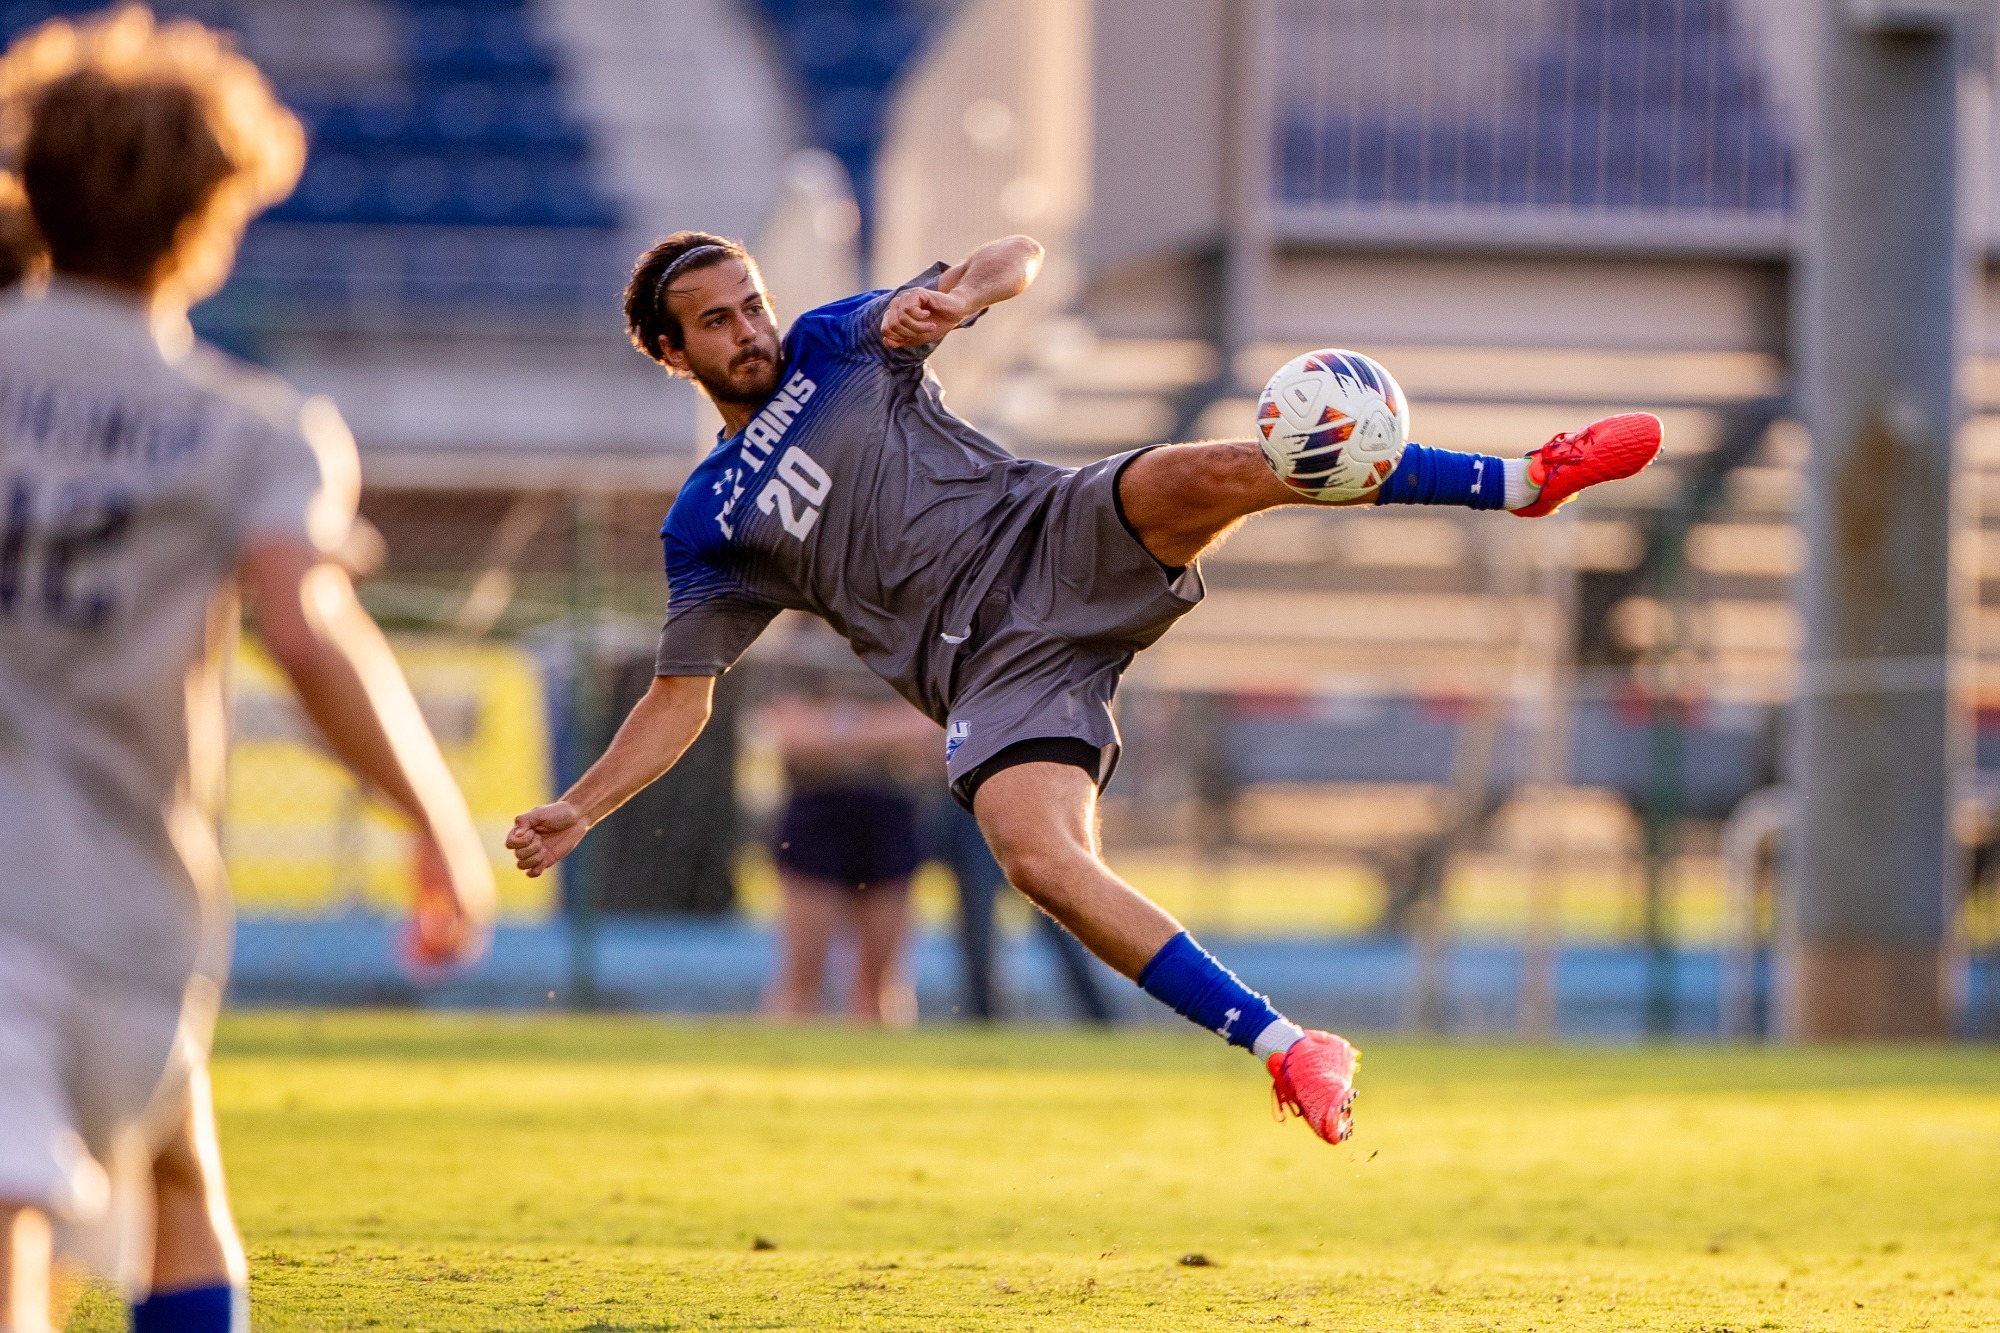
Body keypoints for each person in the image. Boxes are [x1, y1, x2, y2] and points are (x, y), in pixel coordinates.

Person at [509, 229, 1660, 1145]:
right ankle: (1285, 1046)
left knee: (1212, 468)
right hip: (989, 665)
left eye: (751, 301)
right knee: (1037, 858)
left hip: (1048, 528)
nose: (749, 329)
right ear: (670, 354)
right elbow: (680, 695)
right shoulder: (706, 522)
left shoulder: (835, 341)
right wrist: (580, 806)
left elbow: (1016, 255)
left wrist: (958, 301)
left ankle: (1519, 480)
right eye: (716, 321)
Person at [0, 10, 496, 1332]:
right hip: (121, 907)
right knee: (165, 1169)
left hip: (42, 899)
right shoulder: (250, 433)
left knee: (22, 1229)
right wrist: (435, 818)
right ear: (215, 220)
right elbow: (303, 625)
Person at [757, 620, 938, 1023]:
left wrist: (836, 724)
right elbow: (795, 737)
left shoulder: (904, 640)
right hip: (817, 810)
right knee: (802, 977)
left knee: (882, 981)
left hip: (889, 811)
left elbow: (923, 730)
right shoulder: (795, 647)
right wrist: (880, 730)